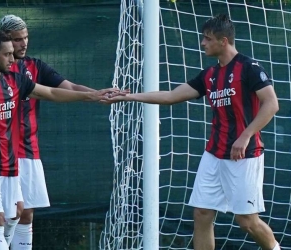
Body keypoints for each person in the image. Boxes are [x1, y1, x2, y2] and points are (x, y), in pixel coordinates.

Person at [103, 14, 280, 250]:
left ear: (223, 41)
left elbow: (272, 104)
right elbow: (171, 96)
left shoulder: (249, 68)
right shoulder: (209, 75)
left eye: (207, 39)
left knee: (247, 221)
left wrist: (245, 135)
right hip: (214, 155)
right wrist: (128, 96)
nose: (202, 43)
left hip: (244, 155)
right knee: (202, 213)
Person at [0, 29, 119, 250]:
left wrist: (92, 95)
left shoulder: (16, 81)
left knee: (15, 215)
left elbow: (52, 93)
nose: (12, 58)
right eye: (7, 54)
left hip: (9, 163)